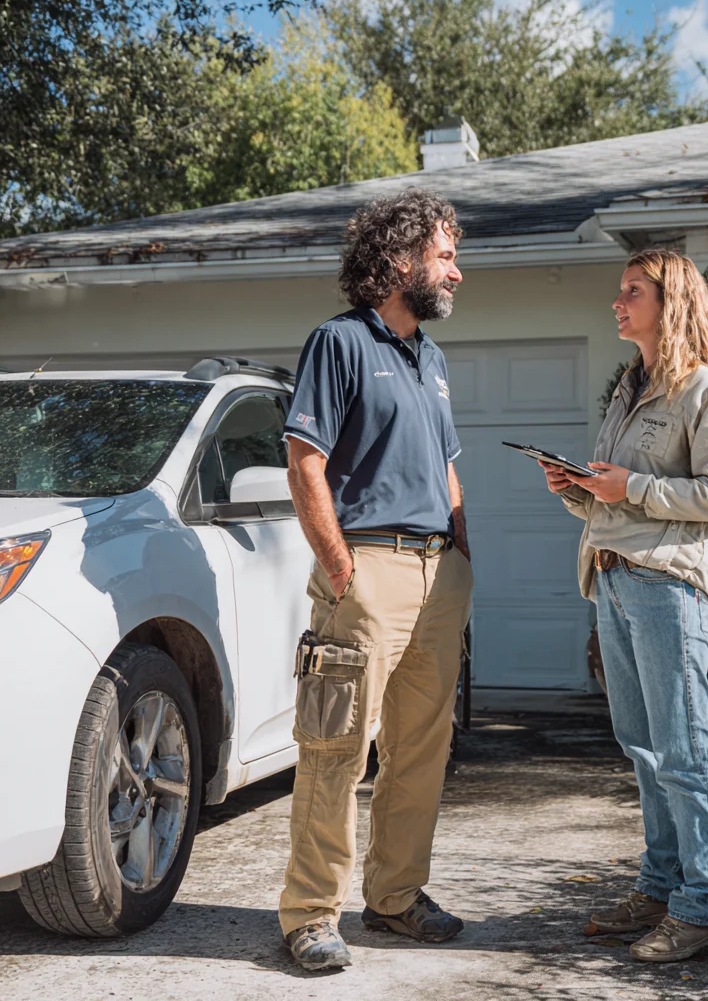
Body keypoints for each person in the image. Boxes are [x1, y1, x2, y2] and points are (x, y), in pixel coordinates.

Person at [278, 189, 474, 972]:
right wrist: (340, 570)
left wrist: (463, 558)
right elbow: (304, 461)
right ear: (399, 261)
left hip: (439, 576)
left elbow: (450, 471)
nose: (457, 272)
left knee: (422, 751)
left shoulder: (433, 358)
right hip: (367, 573)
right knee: (334, 748)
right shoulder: (338, 343)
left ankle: (394, 897)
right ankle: (309, 914)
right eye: (445, 253)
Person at [541, 248, 708, 963]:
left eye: (632, 291)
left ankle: (700, 909)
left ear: (671, 302)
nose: (617, 301)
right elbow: (621, 499)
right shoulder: (629, 393)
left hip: (669, 587)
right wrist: (577, 489)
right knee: (644, 747)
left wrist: (625, 488)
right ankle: (660, 888)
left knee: (684, 752)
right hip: (614, 581)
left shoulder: (705, 394)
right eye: (620, 291)